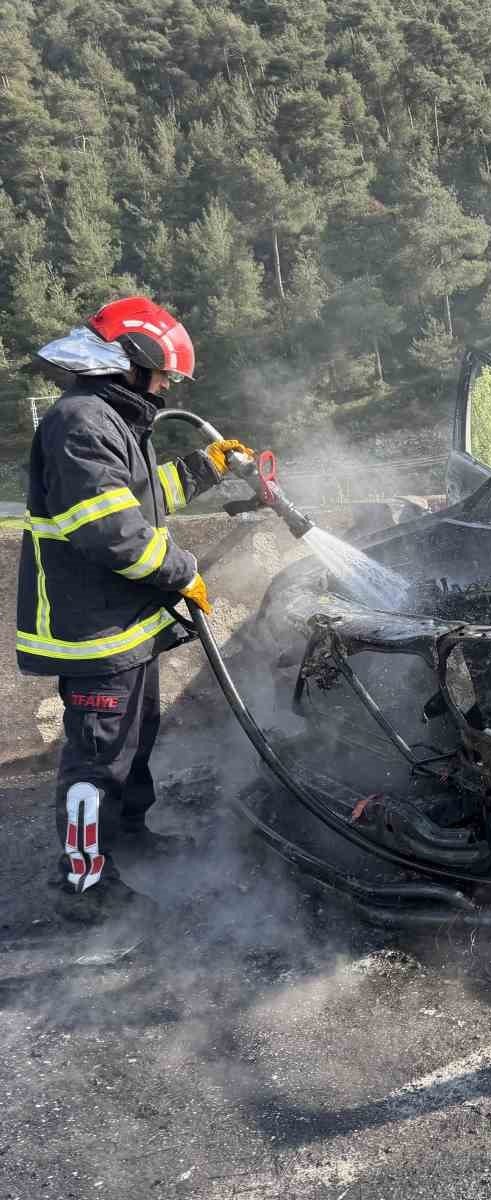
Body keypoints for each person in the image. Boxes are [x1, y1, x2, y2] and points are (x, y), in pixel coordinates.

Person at [16, 297, 252, 925]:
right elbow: (112, 530)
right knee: (98, 760)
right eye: (166, 373)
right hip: (92, 630)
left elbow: (141, 497)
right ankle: (85, 887)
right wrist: (183, 572)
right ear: (131, 362)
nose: (170, 385)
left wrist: (205, 468)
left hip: (124, 624)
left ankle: (129, 838)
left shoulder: (112, 420)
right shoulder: (79, 422)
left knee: (133, 743)